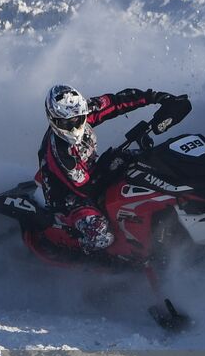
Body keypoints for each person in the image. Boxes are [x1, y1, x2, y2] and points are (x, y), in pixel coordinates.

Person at [36, 84, 178, 255]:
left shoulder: (83, 112)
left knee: (140, 162)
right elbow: (86, 189)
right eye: (66, 123)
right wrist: (110, 166)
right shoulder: (59, 153)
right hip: (70, 198)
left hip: (91, 173)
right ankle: (76, 250)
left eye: (78, 120)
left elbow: (116, 102)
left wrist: (155, 97)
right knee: (101, 236)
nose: (73, 127)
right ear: (53, 119)